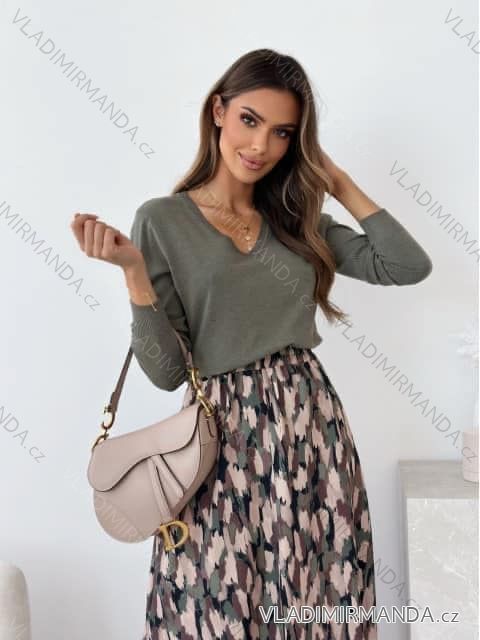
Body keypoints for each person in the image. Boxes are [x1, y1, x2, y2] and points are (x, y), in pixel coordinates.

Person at [71, 48, 432, 640]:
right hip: (220, 440)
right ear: (218, 111)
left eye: (282, 132)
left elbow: (406, 265)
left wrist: (338, 182)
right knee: (213, 601)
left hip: (311, 429)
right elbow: (166, 373)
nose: (261, 145)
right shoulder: (162, 220)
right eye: (249, 120)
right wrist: (134, 272)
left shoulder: (297, 220)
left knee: (317, 590)